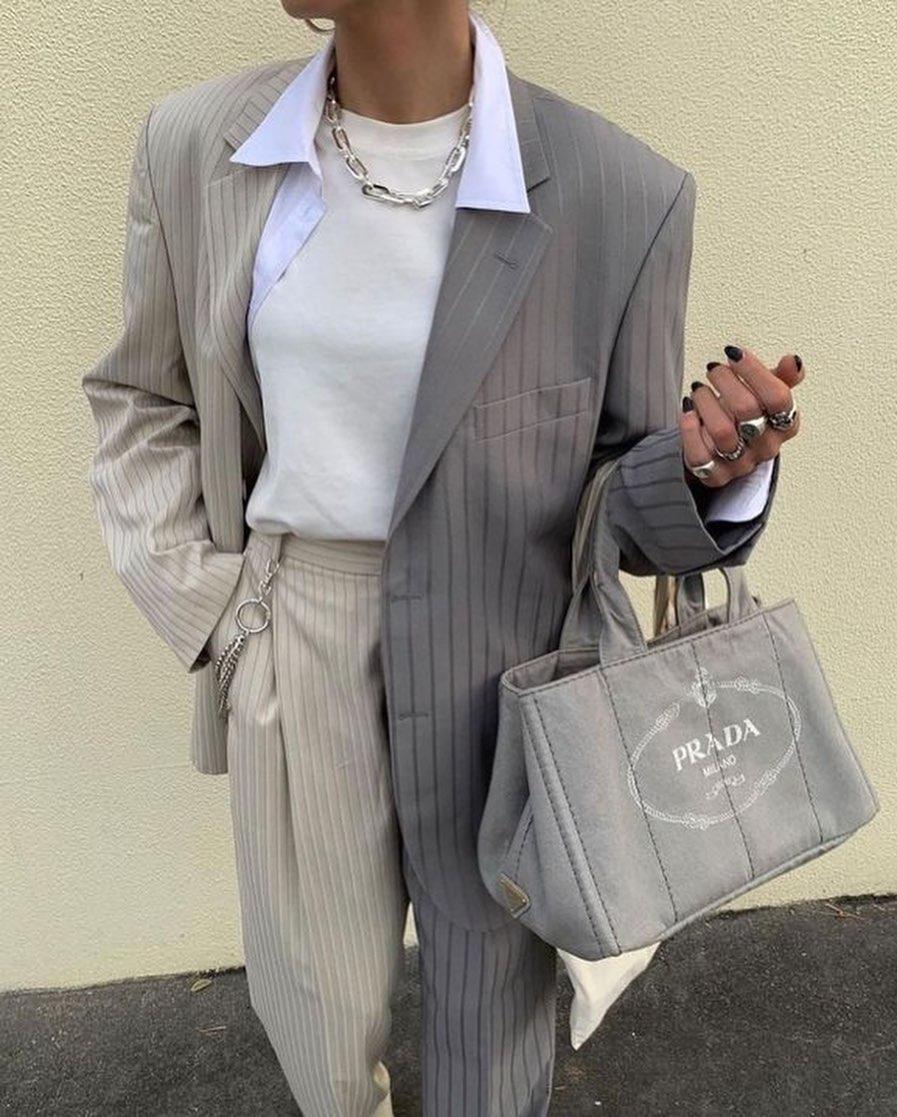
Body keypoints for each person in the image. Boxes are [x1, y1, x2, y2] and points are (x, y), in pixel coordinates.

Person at [81, 2, 803, 1113]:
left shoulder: (622, 191)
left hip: (507, 659)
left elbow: (615, 496)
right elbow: (141, 396)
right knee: (316, 1018)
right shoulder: (197, 148)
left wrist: (714, 473)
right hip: (293, 634)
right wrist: (214, 611)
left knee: (493, 1029)